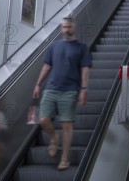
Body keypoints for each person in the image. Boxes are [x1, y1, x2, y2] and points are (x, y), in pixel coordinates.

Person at [33, 17, 92, 171]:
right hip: (51, 88)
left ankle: (64, 158)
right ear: (61, 28)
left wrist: (84, 89)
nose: (66, 29)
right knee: (43, 120)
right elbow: (47, 66)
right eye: (64, 27)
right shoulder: (54, 46)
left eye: (69, 27)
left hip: (70, 90)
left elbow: (85, 69)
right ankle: (54, 137)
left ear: (74, 28)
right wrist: (38, 84)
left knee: (67, 124)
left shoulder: (82, 48)